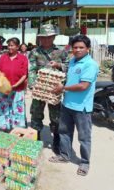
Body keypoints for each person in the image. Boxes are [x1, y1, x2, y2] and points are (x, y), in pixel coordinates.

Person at [49, 35, 99, 177]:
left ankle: (84, 163)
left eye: (81, 47)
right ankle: (65, 156)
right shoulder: (73, 61)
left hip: (82, 108)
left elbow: (83, 85)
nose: (77, 50)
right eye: (75, 47)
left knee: (84, 137)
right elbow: (67, 69)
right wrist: (57, 65)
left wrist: (63, 88)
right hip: (67, 105)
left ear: (87, 49)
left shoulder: (90, 65)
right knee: (64, 132)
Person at [28, 24, 69, 154]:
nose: (46, 40)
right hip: (39, 88)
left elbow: (69, 67)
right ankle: (36, 139)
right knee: (36, 114)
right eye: (44, 38)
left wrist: (58, 65)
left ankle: (56, 141)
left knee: (56, 115)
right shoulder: (35, 52)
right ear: (40, 38)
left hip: (55, 89)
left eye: (49, 37)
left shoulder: (61, 51)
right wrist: (33, 85)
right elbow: (31, 69)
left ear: (53, 37)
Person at [0, 37, 28, 131]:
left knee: (17, 108)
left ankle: (17, 128)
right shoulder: (3, 57)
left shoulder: (23, 58)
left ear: (17, 47)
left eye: (12, 45)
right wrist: (3, 82)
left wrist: (15, 85)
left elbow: (24, 75)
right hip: (5, 89)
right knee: (5, 108)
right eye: (9, 45)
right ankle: (5, 127)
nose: (10, 47)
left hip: (18, 89)